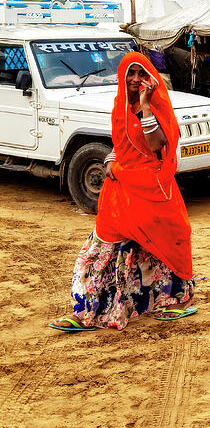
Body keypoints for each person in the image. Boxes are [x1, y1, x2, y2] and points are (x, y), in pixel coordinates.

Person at [49, 53, 196, 331]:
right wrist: (110, 159)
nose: (136, 79)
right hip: (120, 188)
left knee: (161, 244)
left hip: (151, 188)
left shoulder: (157, 105)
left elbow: (155, 146)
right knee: (103, 249)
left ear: (151, 78)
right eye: (131, 73)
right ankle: (86, 310)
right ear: (122, 76)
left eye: (142, 74)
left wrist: (145, 107)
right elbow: (122, 141)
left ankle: (174, 299)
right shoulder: (118, 106)